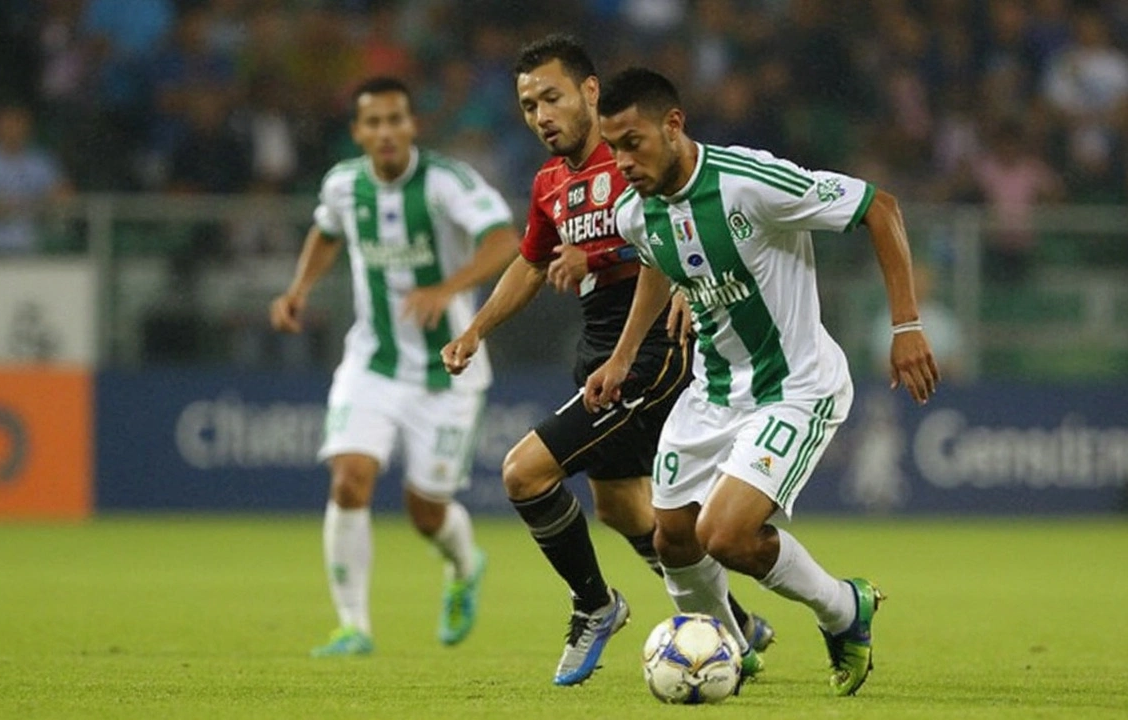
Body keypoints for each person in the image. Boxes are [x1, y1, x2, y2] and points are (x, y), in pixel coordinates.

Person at [584, 68, 939, 696]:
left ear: (674, 125)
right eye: (612, 146)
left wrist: (906, 324)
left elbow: (879, 208)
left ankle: (843, 609)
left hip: (794, 387)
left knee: (724, 535)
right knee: (671, 536)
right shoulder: (634, 211)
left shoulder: (749, 182)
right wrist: (622, 356)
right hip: (711, 391)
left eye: (632, 141)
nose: (622, 160)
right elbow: (656, 267)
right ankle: (731, 648)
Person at [440, 35, 773, 686]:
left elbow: (676, 228)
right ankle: (734, 619)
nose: (541, 115)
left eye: (553, 97)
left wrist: (594, 260)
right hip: (596, 352)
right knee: (626, 511)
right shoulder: (548, 184)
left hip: (650, 352)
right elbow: (534, 262)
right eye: (530, 104)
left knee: (524, 473)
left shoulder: (637, 160)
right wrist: (476, 328)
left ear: (591, 92)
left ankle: (596, 605)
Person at [270, 77, 520, 657]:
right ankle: (353, 625)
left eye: (394, 120)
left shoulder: (445, 183)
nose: (384, 132)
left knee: (426, 510)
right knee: (349, 477)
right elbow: (326, 232)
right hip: (373, 361)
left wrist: (447, 288)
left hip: (448, 368)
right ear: (358, 132)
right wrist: (299, 289)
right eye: (372, 123)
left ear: (412, 126)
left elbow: (504, 240)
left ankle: (463, 566)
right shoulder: (342, 185)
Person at [0, 102, 73, 355]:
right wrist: (30, 204)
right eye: (7, 123)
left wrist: (5, 203)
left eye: (18, 124)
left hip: (25, 255)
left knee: (15, 324)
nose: (13, 130)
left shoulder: (40, 162)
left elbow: (64, 200)